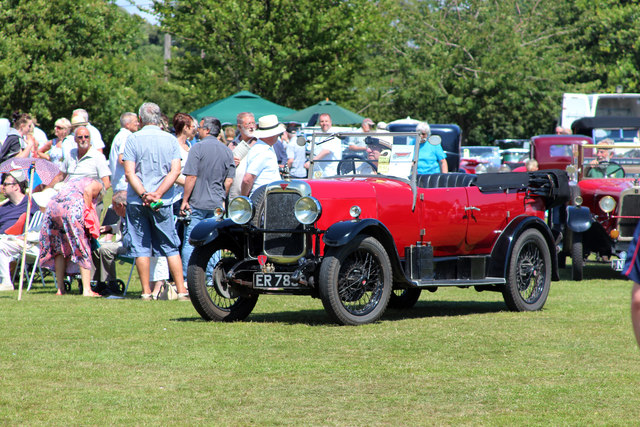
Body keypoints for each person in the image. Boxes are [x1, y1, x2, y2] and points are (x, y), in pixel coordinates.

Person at [122, 102, 189, 300]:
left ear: (141, 120)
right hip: (163, 201)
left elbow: (129, 172)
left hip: (137, 200)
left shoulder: (133, 139)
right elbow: (175, 170)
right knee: (170, 246)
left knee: (141, 247)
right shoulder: (169, 140)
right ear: (159, 119)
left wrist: (144, 194)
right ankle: (182, 291)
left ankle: (145, 292)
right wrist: (158, 193)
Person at [180, 116, 235, 278]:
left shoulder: (197, 148)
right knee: (214, 242)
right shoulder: (227, 150)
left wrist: (185, 200)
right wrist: (221, 196)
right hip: (217, 204)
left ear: (208, 130)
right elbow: (229, 180)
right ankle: (212, 278)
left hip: (197, 202)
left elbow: (191, 177)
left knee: (191, 241)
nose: (198, 130)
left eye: (201, 127)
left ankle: (187, 278)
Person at [39, 176, 104, 297]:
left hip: (53, 208)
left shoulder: (74, 181)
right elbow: (89, 192)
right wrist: (88, 212)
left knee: (59, 249)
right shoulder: (97, 184)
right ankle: (87, 290)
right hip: (71, 208)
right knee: (82, 246)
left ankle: (60, 289)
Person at [241, 114, 285, 197]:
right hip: (262, 199)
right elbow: (247, 179)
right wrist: (243, 199)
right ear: (273, 134)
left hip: (265, 197)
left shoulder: (265, 148)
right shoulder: (261, 150)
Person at [228, 112, 257, 199]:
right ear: (239, 126)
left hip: (254, 193)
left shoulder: (261, 144)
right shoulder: (232, 145)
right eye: (248, 124)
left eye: (253, 123)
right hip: (235, 196)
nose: (252, 127)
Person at [109, 112, 139, 192]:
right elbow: (122, 159)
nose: (138, 124)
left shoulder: (120, 135)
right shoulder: (126, 136)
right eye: (135, 122)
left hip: (119, 183)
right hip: (124, 184)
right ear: (127, 124)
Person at [305, 113, 342, 177]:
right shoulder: (320, 135)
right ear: (319, 123)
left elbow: (326, 151)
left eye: (326, 121)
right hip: (319, 172)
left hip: (331, 174)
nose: (324, 123)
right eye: (322, 121)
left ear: (330, 122)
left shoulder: (333, 135)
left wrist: (311, 162)